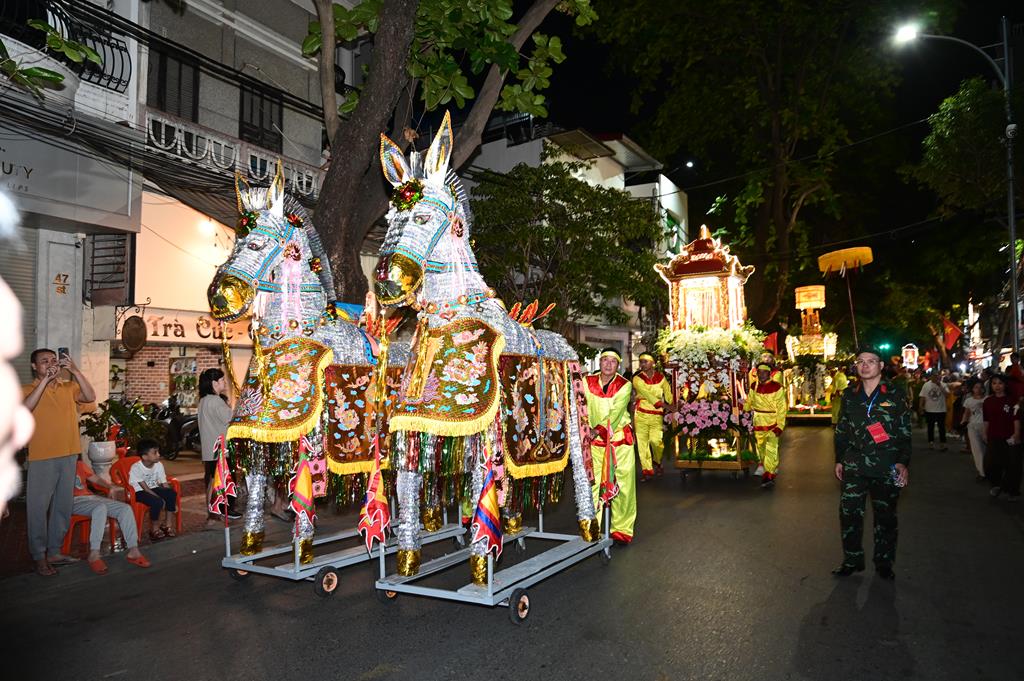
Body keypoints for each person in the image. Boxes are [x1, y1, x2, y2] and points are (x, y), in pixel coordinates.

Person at [833, 347, 910, 581]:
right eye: (860, 361)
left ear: (881, 366)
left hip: (886, 465)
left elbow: (904, 432)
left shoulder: (894, 394)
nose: (865, 365)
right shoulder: (850, 394)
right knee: (849, 514)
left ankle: (884, 562)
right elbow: (841, 430)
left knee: (885, 517)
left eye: (871, 361)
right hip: (854, 464)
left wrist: (902, 463)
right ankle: (852, 560)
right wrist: (839, 459)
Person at [21, 347, 96, 576]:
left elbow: (90, 397)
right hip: (42, 457)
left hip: (69, 454)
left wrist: (75, 371)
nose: (51, 363)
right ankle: (39, 556)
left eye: (53, 360)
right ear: (34, 367)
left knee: (62, 506)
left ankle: (54, 551)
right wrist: (45, 381)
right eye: (44, 361)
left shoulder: (69, 387)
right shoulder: (27, 390)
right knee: (38, 508)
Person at [584, 348, 636, 545]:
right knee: (592, 484)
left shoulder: (625, 385)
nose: (608, 364)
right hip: (595, 443)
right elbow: (581, 405)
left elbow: (615, 413)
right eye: (605, 360)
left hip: (619, 442)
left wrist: (597, 430)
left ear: (618, 365)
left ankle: (622, 529)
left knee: (624, 485)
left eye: (612, 361)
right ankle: (592, 526)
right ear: (599, 362)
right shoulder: (587, 382)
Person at [71, 457, 151, 573]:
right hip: (72, 502)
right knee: (100, 508)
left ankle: (133, 550)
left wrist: (110, 486)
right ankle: (94, 554)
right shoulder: (58, 466)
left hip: (90, 498)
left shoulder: (79, 464)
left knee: (125, 509)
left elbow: (95, 479)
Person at [197, 368, 240, 522]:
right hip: (221, 450)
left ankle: (213, 512)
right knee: (224, 481)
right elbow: (231, 418)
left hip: (210, 450)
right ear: (214, 383)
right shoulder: (215, 401)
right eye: (222, 380)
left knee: (212, 481)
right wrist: (240, 405)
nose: (224, 383)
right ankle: (223, 510)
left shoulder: (203, 400)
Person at [744, 358, 788, 488]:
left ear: (769, 373)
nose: (761, 374)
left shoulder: (777, 387)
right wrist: (744, 412)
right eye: (759, 372)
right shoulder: (754, 386)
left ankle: (769, 474)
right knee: (761, 448)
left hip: (773, 423)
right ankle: (765, 466)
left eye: (764, 372)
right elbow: (749, 401)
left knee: (771, 448)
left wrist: (780, 425)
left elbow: (782, 408)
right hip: (758, 422)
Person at [632, 352, 673, 481]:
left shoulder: (661, 378)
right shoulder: (637, 378)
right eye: (641, 361)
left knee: (656, 442)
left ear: (653, 363)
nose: (642, 364)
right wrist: (666, 406)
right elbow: (647, 395)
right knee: (642, 444)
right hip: (641, 414)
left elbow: (668, 394)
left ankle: (657, 461)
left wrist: (675, 403)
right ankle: (647, 470)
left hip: (656, 415)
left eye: (646, 361)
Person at [128, 438, 178, 540]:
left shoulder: (158, 465)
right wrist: (161, 499)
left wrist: (172, 502)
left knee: (171, 493)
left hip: (154, 488)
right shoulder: (136, 468)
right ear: (144, 456)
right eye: (155, 453)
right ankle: (154, 529)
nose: (158, 455)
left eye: (158, 452)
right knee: (157, 502)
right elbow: (145, 488)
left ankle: (167, 525)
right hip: (139, 492)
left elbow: (164, 483)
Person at [982, 374, 1018, 501]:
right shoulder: (987, 401)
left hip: (1009, 437)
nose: (997, 386)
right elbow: (986, 420)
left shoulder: (1012, 400)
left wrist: (1016, 434)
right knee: (990, 464)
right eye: (994, 383)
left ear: (1005, 385)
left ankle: (1012, 491)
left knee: (1011, 465)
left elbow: (1016, 419)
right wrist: (984, 433)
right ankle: (996, 485)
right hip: (993, 436)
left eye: (1000, 383)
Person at [961, 380, 987, 481]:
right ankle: (982, 472)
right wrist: (963, 422)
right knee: (977, 450)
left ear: (983, 389)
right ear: (972, 389)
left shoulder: (987, 399)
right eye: (976, 387)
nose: (978, 389)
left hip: (985, 427)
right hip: (972, 427)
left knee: (986, 450)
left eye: (980, 387)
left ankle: (988, 469)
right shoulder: (969, 400)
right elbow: (966, 413)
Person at [919, 372, 948, 450]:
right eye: (934, 376)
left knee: (941, 427)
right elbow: (922, 396)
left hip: (941, 410)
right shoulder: (926, 385)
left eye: (937, 376)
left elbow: (947, 395)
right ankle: (931, 442)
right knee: (930, 427)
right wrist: (920, 407)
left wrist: (940, 385)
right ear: (931, 377)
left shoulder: (943, 384)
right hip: (929, 410)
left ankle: (943, 443)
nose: (935, 378)